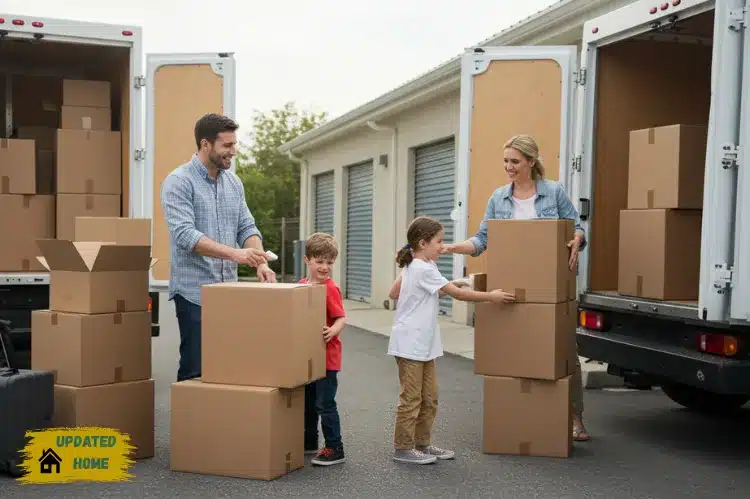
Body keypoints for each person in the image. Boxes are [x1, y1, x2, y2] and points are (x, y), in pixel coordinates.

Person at [442, 134, 591, 442]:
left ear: (531, 162)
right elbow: (483, 239)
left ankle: (575, 417)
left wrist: (577, 239)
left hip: (550, 284)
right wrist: (453, 247)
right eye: (506, 161)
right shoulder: (499, 198)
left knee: (564, 351)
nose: (508, 167)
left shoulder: (553, 192)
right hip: (513, 284)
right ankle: (527, 415)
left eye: (514, 161)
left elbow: (576, 226)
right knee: (522, 350)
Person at [387, 216, 516, 465]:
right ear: (423, 243)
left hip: (423, 344)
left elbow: (395, 292)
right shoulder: (422, 267)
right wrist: (492, 296)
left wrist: (444, 284)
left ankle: (422, 444)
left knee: (430, 397)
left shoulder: (419, 265)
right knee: (412, 398)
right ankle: (403, 448)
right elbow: (457, 295)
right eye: (439, 241)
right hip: (411, 343)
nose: (442, 246)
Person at [161, 113, 277, 383]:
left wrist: (260, 261)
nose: (233, 152)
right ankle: (192, 425)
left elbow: (247, 227)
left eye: (235, 145)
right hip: (194, 294)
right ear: (205, 145)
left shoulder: (233, 183)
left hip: (228, 292)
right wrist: (235, 254)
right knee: (196, 370)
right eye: (227, 146)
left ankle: (220, 422)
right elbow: (185, 235)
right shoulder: (179, 181)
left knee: (227, 368)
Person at [299, 232, 347, 466]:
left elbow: (340, 318)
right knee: (307, 402)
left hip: (327, 358)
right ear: (307, 260)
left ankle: (334, 447)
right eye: (320, 261)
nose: (325, 267)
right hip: (308, 358)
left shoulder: (330, 288)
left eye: (329, 262)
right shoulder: (300, 287)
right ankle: (309, 442)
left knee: (325, 404)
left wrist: (333, 330)